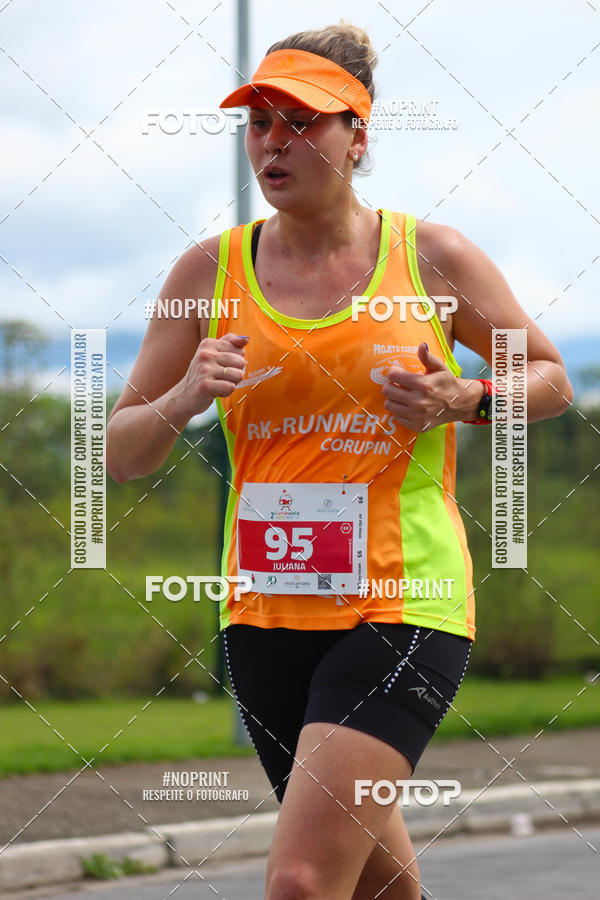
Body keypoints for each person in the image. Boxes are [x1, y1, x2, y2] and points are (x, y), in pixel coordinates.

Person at [106, 21, 573, 900]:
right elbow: (122, 455)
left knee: (300, 881)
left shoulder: (433, 258)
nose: (274, 142)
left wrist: (465, 399)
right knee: (375, 888)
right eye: (259, 123)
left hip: (405, 605)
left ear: (357, 137)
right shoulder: (208, 271)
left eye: (301, 122)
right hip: (263, 615)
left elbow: (550, 378)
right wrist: (181, 400)